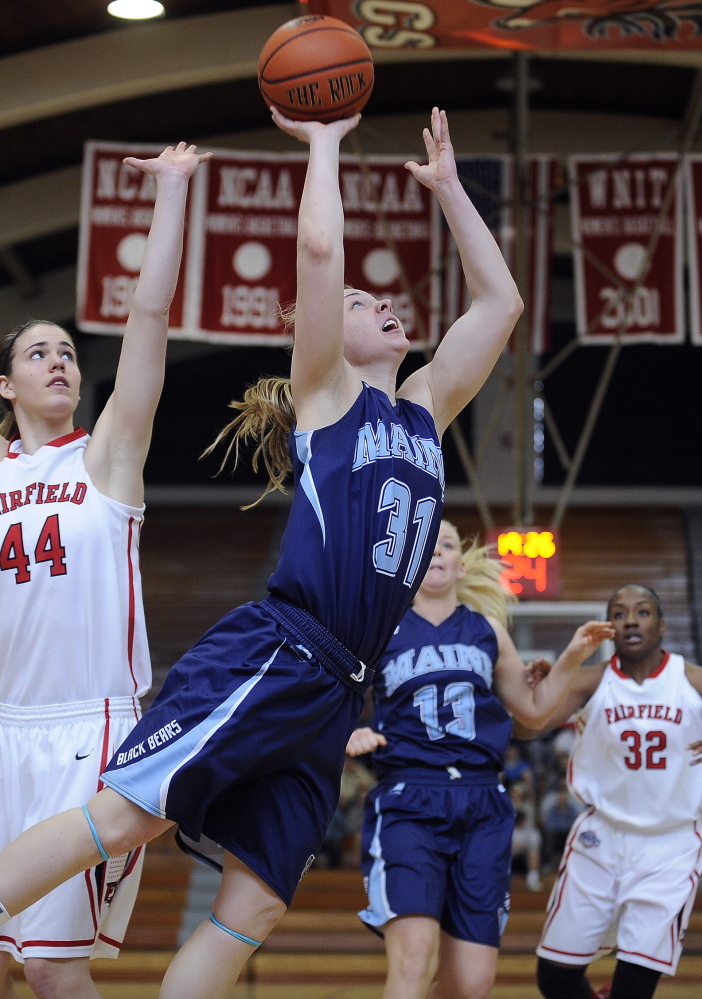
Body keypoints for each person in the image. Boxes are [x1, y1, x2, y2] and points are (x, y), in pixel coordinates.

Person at [0, 106, 522, 999]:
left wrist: (450, 193)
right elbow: (321, 257)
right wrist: (324, 144)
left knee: (258, 901)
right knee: (126, 817)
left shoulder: (425, 408)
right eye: (363, 303)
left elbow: (502, 302)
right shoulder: (328, 394)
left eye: (381, 300)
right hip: (281, 648)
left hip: (340, 682)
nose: (382, 304)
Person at [0, 143, 211, 999]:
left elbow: (149, 317)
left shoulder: (107, 454)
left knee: (51, 965)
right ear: (4, 385)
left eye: (66, 352)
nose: (60, 361)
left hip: (87, 729)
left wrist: (169, 197)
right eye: (37, 353)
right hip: (3, 725)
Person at [346, 522, 613, 999]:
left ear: (460, 563)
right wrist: (350, 731)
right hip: (409, 799)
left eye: (446, 544)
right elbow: (330, 701)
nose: (435, 552)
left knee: (470, 984)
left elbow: (532, 710)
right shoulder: (378, 629)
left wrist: (572, 657)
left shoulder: (487, 630)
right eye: (424, 545)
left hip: (482, 802)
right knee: (413, 959)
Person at [534, 584, 702, 999]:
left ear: (662, 627)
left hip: (671, 843)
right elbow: (527, 725)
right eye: (620, 613)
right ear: (608, 628)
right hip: (600, 837)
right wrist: (549, 683)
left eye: (642, 612)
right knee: (554, 977)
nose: (630, 620)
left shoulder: (692, 680)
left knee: (634, 987)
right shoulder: (590, 681)